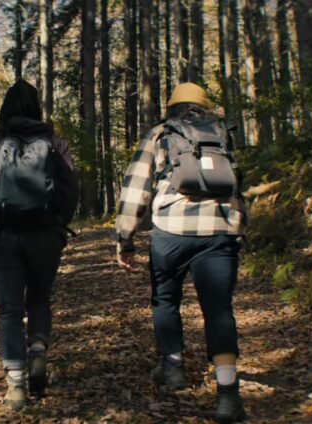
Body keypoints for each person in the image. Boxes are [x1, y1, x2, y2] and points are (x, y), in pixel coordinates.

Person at [114, 82, 248, 422]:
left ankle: (173, 368)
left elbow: (136, 187)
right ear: (205, 106)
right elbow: (237, 181)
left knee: (165, 299)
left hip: (172, 230)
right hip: (220, 228)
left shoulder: (160, 133)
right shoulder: (222, 132)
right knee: (219, 309)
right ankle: (228, 393)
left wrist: (124, 238)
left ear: (173, 106)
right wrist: (238, 228)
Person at [0, 80, 78, 410]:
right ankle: (39, 350)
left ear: (4, 108)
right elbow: (70, 190)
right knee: (40, 298)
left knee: (10, 310)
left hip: (2, 236)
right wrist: (57, 225)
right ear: (36, 108)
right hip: (44, 236)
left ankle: (15, 384)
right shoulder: (56, 144)